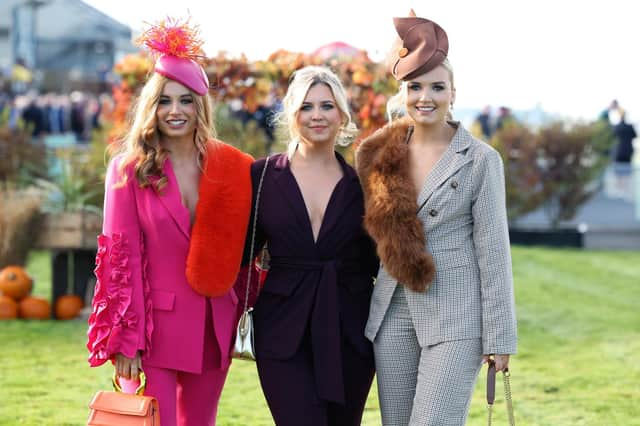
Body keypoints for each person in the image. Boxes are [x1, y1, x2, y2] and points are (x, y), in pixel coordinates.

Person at [86, 18, 253, 426]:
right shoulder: (129, 170)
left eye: (186, 100)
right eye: (165, 101)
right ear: (151, 106)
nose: (175, 111)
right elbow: (118, 258)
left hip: (215, 326)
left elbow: (248, 243)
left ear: (201, 105)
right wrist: (126, 340)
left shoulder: (230, 165)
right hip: (154, 329)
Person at [355, 11, 517, 425]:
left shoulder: (481, 160)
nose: (424, 97)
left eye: (436, 87)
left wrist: (500, 336)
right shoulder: (376, 153)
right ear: (403, 91)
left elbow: (494, 250)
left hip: (456, 314)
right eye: (415, 87)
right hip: (392, 313)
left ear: (453, 93)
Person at [243, 65, 379, 425]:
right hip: (282, 330)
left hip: (349, 332)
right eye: (306, 107)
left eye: (326, 106)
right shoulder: (261, 177)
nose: (316, 115)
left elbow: (379, 263)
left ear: (342, 116)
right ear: (291, 115)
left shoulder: (364, 184)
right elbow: (240, 255)